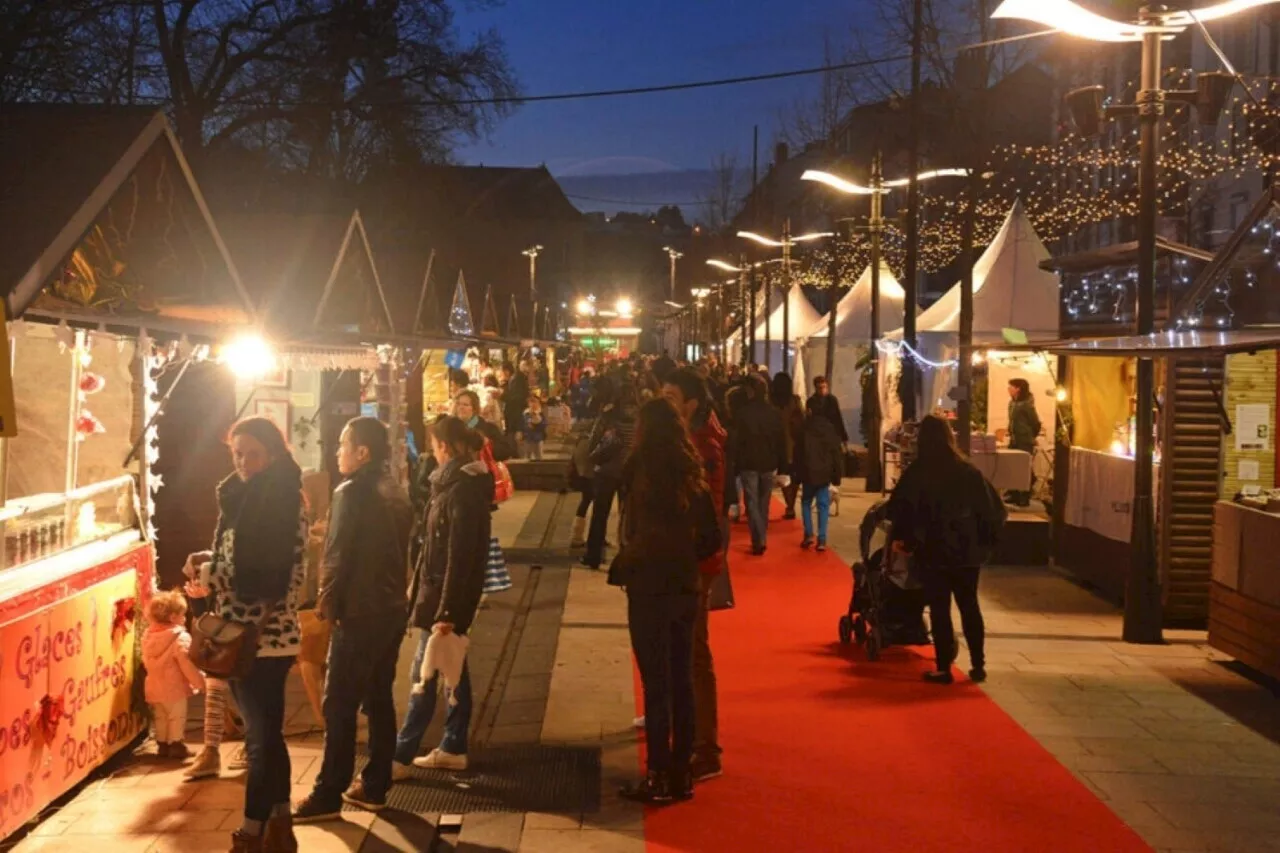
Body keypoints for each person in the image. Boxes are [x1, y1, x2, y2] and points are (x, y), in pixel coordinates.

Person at [184, 417, 306, 853]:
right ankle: (280, 826)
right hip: (245, 635)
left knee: (259, 740)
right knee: (267, 736)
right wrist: (210, 559)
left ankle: (252, 832)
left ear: (273, 453)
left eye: (252, 453)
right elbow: (239, 556)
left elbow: (266, 576)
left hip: (263, 639)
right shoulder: (246, 498)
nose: (243, 461)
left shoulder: (278, 501)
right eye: (237, 453)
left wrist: (208, 573)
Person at [293, 417, 412, 822]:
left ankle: (329, 790)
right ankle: (375, 785)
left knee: (339, 702)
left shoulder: (351, 492)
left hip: (360, 612)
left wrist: (326, 605)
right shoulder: (395, 490)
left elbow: (337, 554)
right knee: (378, 697)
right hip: (391, 609)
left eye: (343, 445)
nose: (337, 452)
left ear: (362, 452)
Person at [612, 399, 721, 805]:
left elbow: (630, 530)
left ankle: (657, 772)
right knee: (681, 680)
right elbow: (711, 538)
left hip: (647, 586)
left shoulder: (637, 473)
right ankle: (681, 773)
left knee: (655, 682)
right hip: (684, 585)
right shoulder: (693, 475)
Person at [393, 416, 493, 776]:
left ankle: (401, 754)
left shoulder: (461, 490)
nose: (430, 454)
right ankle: (453, 744)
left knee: (425, 674)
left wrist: (447, 609)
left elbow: (459, 555)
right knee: (451, 669)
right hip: (437, 595)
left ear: (445, 448)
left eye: (433, 447)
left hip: (445, 600)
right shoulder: (450, 486)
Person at [887, 415, 1006, 685]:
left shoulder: (919, 472)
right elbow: (993, 510)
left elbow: (901, 508)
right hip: (967, 553)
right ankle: (978, 664)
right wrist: (985, 542)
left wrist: (904, 539)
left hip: (934, 550)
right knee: (969, 606)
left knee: (940, 609)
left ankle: (943, 667)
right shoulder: (968, 471)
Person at [660, 368, 726, 783]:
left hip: (695, 562)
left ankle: (707, 746)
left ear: (691, 404)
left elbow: (701, 510)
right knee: (676, 643)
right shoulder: (690, 439)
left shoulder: (703, 445)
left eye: (670, 396)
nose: (663, 402)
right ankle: (675, 715)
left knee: (696, 651)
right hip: (681, 557)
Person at [583, 379, 639, 569]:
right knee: (629, 516)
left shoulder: (608, 416)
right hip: (631, 472)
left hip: (606, 472)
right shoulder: (642, 417)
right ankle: (629, 555)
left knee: (600, 515)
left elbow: (593, 442)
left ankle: (594, 556)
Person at [142, 589, 205, 759]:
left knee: (161, 716)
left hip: (154, 685)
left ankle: (162, 744)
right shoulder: (180, 638)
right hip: (174, 686)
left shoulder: (148, 636)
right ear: (172, 617)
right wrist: (200, 682)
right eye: (182, 615)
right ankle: (176, 744)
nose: (185, 618)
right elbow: (187, 664)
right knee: (177, 716)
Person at [730, 374, 785, 555]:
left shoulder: (743, 414)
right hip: (768, 462)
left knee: (752, 501)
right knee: (764, 501)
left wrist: (735, 463)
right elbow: (780, 439)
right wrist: (781, 462)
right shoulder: (774, 413)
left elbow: (737, 441)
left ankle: (758, 538)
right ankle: (761, 536)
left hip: (749, 462)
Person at [795, 397, 843, 552]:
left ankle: (808, 534)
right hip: (824, 472)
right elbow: (836, 453)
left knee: (806, 502)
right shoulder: (830, 428)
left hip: (808, 471)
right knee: (823, 505)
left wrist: (796, 473)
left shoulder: (804, 428)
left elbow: (798, 453)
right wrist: (837, 474)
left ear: (809, 410)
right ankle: (822, 539)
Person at [770, 373, 805, 520]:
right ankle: (790, 505)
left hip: (777, 443)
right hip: (794, 442)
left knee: (783, 474)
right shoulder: (795, 401)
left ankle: (789, 504)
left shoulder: (771, 402)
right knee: (794, 475)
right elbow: (802, 420)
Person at [1005, 378, 1042, 507]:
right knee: (1013, 466)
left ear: (1018, 389)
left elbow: (1035, 423)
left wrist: (1030, 435)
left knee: (1025, 468)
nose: (1008, 389)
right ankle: (1014, 494)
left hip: (1024, 440)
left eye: (1011, 387)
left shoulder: (1027, 404)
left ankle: (1025, 496)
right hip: (1014, 439)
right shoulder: (1012, 403)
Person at [807, 375, 849, 445]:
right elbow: (810, 419)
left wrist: (843, 437)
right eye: (820, 388)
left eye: (824, 387)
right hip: (817, 436)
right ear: (816, 388)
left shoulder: (832, 400)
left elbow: (838, 418)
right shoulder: (811, 401)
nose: (823, 390)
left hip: (831, 434)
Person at [500, 362, 529, 457]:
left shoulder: (515, 379)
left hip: (514, 416)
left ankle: (516, 457)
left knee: (514, 439)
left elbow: (515, 398)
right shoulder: (515, 379)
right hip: (513, 417)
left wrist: (502, 395)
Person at [523, 394, 548, 460]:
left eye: (535, 401)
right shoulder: (526, 413)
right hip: (528, 438)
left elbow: (544, 424)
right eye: (531, 402)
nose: (533, 404)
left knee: (539, 456)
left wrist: (536, 425)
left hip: (538, 438)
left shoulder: (541, 413)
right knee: (528, 457)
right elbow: (523, 424)